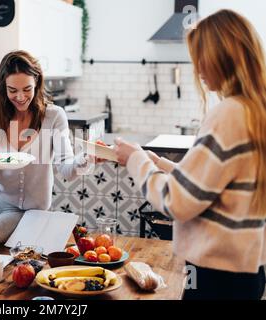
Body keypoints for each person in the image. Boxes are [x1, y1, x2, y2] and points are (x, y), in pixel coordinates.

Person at [114, 9, 266, 300]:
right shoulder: (255, 110)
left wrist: (136, 159)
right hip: (246, 270)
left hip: (215, 275)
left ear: (222, 56)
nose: (198, 68)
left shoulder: (230, 114)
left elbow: (178, 202)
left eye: (201, 57)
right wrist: (162, 165)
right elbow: (218, 187)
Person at [0, 50, 96, 243]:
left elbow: (67, 169)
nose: (20, 97)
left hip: (32, 211)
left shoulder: (54, 116)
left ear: (37, 82)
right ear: (2, 87)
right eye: (12, 90)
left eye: (27, 89)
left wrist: (87, 158)